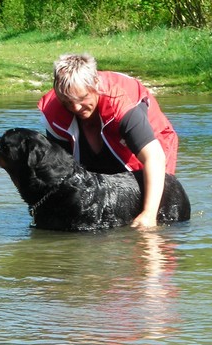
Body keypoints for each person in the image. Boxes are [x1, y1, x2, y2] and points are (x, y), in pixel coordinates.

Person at [38, 53, 179, 229]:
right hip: (96, 153)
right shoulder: (54, 110)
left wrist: (149, 215)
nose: (75, 107)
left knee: (155, 212)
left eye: (82, 99)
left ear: (95, 85)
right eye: (67, 101)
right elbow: (60, 171)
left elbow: (154, 158)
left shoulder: (121, 105)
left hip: (149, 151)